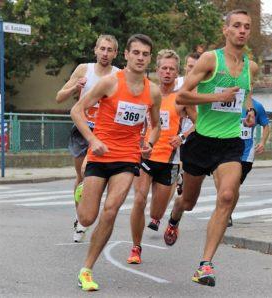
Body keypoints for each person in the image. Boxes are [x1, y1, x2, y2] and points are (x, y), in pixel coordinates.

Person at [163, 9, 257, 287]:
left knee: (228, 196)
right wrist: (217, 95)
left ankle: (205, 264)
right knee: (188, 202)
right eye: (237, 26)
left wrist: (248, 111)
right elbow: (182, 95)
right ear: (226, 30)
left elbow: (246, 95)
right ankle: (175, 215)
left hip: (230, 142)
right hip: (201, 141)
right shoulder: (210, 60)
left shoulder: (250, 67)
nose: (242, 31)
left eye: (247, 27)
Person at [70, 34, 161, 291]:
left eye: (145, 54)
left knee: (110, 210)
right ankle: (83, 192)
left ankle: (86, 269)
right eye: (136, 53)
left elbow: (156, 126)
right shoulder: (109, 83)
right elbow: (77, 110)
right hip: (101, 153)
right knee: (87, 218)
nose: (141, 57)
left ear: (149, 58)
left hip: (128, 157)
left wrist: (149, 143)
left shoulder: (152, 91)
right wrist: (92, 139)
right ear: (127, 56)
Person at [127, 49, 195, 264]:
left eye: (171, 69)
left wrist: (182, 137)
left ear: (177, 73)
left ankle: (172, 221)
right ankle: (136, 248)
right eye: (163, 68)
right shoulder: (147, 93)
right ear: (156, 70)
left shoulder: (182, 97)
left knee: (156, 213)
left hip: (169, 160)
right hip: (145, 155)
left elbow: (200, 122)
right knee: (139, 199)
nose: (167, 72)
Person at [55, 35, 119, 242]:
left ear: (116, 53)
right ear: (95, 50)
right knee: (82, 176)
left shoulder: (119, 75)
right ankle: (80, 218)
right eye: (102, 49)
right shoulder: (84, 69)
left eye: (110, 50)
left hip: (107, 131)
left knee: (101, 178)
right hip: (84, 128)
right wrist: (75, 88)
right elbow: (59, 97)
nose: (105, 53)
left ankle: (93, 213)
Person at [228, 98, 270, 226]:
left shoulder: (257, 106)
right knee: (225, 186)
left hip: (246, 154)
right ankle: (224, 211)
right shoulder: (228, 102)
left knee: (233, 185)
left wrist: (262, 142)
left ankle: (227, 213)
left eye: (250, 84)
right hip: (227, 151)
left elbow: (266, 125)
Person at [175, 52, 201, 195]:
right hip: (171, 132)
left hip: (192, 135)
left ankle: (182, 179)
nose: (192, 70)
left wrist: (184, 135)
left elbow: (201, 121)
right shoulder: (176, 83)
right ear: (185, 66)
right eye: (190, 66)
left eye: (196, 68)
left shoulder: (204, 89)